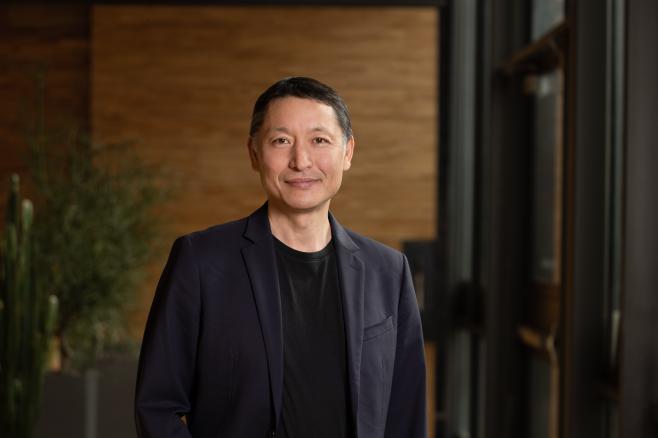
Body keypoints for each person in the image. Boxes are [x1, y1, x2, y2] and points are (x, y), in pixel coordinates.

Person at [135, 77, 427, 438]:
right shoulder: (201, 262)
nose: (300, 160)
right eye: (281, 141)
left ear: (348, 152)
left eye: (319, 140)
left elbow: (406, 413)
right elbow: (157, 406)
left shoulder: (388, 270)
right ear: (254, 153)